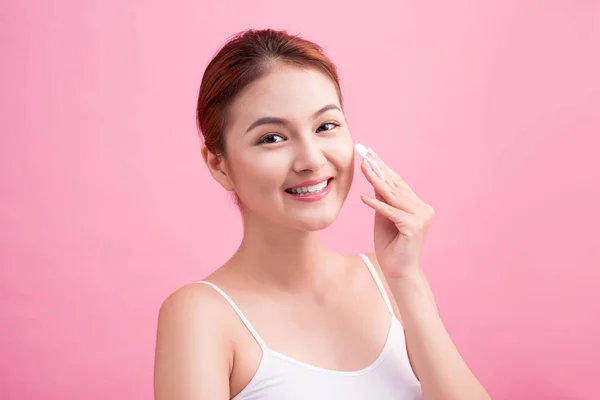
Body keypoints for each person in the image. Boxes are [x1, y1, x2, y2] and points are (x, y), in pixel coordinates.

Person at [153, 28, 490, 400]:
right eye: (272, 138)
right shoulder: (201, 316)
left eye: (326, 126)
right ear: (218, 165)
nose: (312, 160)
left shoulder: (392, 282)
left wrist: (406, 279)